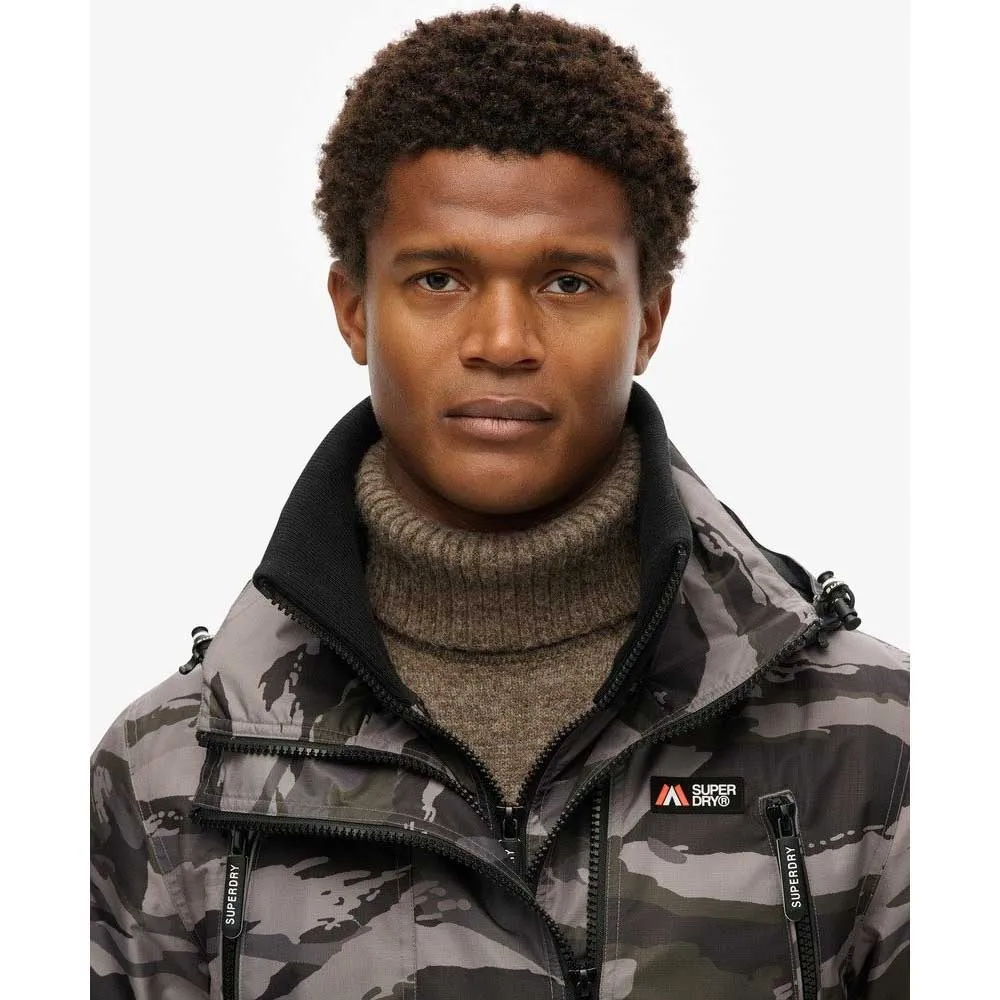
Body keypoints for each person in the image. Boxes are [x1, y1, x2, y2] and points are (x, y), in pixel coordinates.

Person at [90, 6, 909, 999]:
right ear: (354, 310)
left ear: (649, 319)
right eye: (439, 278)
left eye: (567, 283)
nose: (504, 341)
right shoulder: (170, 772)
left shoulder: (881, 742)